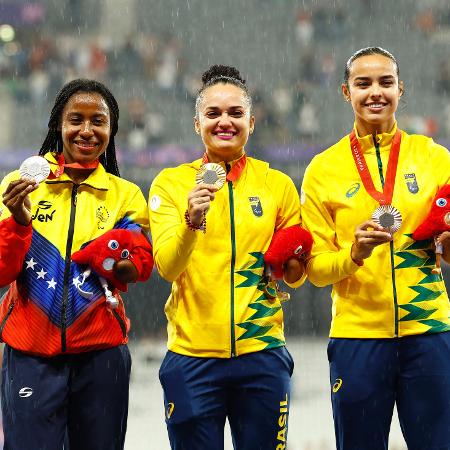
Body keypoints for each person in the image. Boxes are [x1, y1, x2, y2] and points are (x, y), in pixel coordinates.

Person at [148, 65, 310, 450]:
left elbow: (296, 275)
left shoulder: (277, 185)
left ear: (251, 123)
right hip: (192, 358)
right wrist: (191, 221)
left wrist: (293, 265)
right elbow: (167, 267)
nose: (225, 121)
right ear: (197, 123)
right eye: (213, 113)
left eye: (235, 113)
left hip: (262, 355)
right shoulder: (170, 184)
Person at [301, 47, 450, 450]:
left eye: (385, 82)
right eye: (362, 83)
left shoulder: (435, 158)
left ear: (401, 88)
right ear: (345, 92)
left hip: (429, 331)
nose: (375, 92)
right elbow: (314, 268)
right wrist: (353, 255)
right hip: (358, 337)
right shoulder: (322, 170)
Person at [0, 79, 153, 450]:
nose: (86, 130)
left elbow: (141, 265)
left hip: (101, 356)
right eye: (76, 120)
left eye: (98, 121)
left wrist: (118, 261)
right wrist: (19, 223)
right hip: (30, 354)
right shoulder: (20, 186)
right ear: (58, 124)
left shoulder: (125, 195)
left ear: (111, 129)